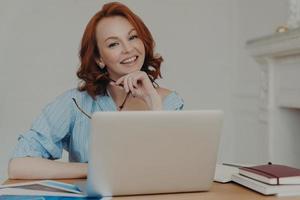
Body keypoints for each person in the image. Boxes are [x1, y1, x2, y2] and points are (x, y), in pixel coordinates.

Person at [8, 2, 184, 180]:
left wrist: (153, 101)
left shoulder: (169, 103)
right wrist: (93, 169)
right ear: (100, 59)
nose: (128, 49)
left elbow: (175, 170)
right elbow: (19, 165)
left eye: (132, 37)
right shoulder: (75, 103)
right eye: (114, 44)